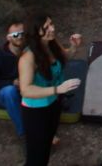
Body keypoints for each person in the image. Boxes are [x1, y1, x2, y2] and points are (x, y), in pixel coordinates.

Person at [18, 12, 81, 166]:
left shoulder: (51, 43)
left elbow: (64, 56)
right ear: (35, 31)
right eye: (46, 27)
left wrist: (74, 46)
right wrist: (57, 89)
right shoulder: (28, 58)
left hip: (53, 104)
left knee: (46, 149)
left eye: (51, 24)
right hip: (36, 111)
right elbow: (25, 90)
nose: (52, 28)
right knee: (36, 156)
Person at [0, 19, 26, 137]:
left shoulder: (29, 50)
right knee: (10, 92)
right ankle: (24, 131)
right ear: (8, 38)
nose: (19, 37)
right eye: (15, 35)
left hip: (27, 86)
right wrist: (12, 82)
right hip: (8, 91)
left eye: (22, 33)